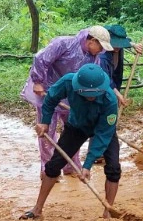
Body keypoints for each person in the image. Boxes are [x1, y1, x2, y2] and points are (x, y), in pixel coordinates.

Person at [17, 64, 118, 221]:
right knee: (53, 166)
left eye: (94, 94)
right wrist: (45, 122)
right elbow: (50, 99)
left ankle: (108, 212)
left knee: (113, 168)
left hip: (102, 130)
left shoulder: (110, 100)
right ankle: (37, 210)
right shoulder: (68, 81)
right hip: (76, 127)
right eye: (87, 94)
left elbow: (102, 136)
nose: (91, 98)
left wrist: (87, 165)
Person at [20, 26, 113, 178]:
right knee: (47, 130)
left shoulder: (94, 57)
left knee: (73, 130)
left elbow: (94, 80)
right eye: (100, 46)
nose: (102, 51)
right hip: (49, 92)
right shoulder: (64, 44)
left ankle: (71, 164)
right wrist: (38, 81)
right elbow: (41, 58)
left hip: (73, 96)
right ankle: (48, 168)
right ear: (92, 41)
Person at [99, 24, 143, 108]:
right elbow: (105, 78)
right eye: (115, 44)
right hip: (103, 85)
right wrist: (117, 93)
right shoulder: (102, 56)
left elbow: (126, 41)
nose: (118, 47)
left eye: (120, 44)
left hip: (116, 76)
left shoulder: (119, 48)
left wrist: (134, 45)